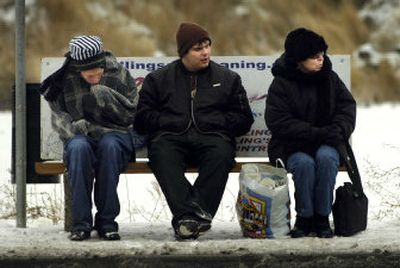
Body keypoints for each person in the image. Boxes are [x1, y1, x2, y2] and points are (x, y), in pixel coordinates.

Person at [134, 22, 254, 240]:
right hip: (171, 137)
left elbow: (244, 119)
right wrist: (168, 121)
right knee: (161, 153)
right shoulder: (159, 79)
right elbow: (141, 119)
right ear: (183, 52)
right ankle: (194, 216)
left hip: (213, 137)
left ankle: (188, 218)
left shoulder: (228, 78)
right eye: (198, 48)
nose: (205, 52)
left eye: (207, 46)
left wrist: (217, 122)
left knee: (221, 154)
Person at [40, 35, 138, 241]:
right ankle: (81, 224)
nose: (95, 76)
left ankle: (107, 222)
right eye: (88, 74)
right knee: (78, 149)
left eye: (98, 72)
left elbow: (133, 114)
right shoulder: (62, 81)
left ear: (102, 64)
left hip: (116, 134)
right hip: (79, 134)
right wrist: (77, 128)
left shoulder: (119, 74)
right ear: (78, 68)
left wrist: (107, 99)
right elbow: (60, 121)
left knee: (109, 146)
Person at [265, 28, 356, 238]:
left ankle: (322, 217)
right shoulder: (281, 83)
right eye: (315, 56)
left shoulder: (330, 78)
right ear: (299, 60)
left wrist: (338, 129)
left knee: (326, 159)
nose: (321, 59)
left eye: (322, 54)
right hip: (292, 144)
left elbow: (347, 108)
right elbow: (278, 121)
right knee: (304, 165)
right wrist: (316, 133)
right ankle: (305, 217)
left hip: (329, 141)